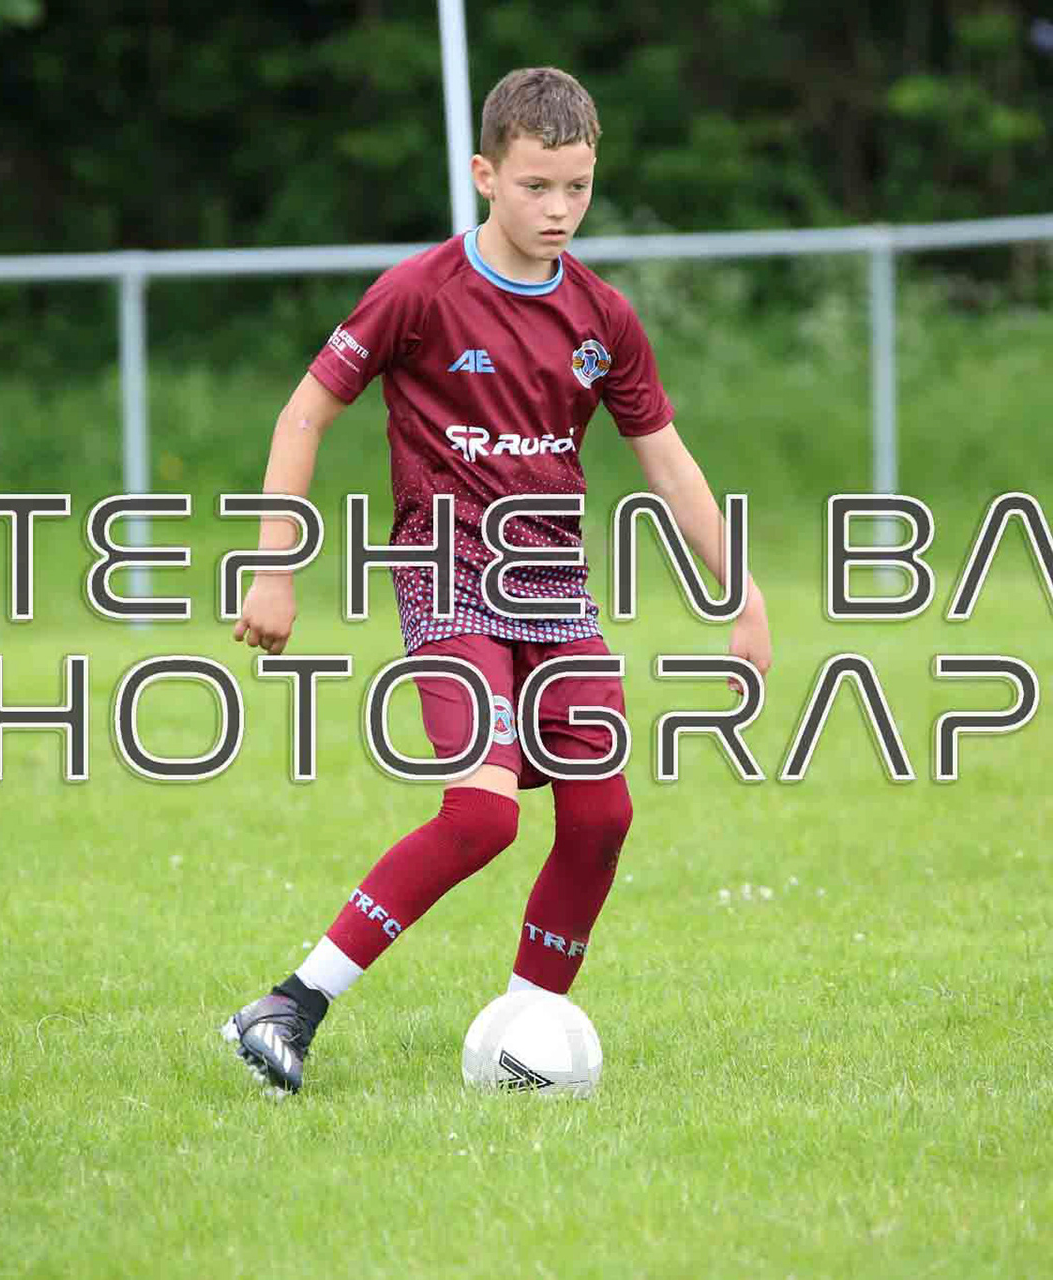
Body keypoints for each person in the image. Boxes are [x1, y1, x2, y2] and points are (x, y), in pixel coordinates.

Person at [223, 67, 773, 1093]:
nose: (559, 209)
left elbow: (667, 461)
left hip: (554, 589)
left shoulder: (603, 317)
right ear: (485, 175)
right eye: (536, 186)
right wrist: (274, 565)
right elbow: (304, 414)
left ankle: (525, 1033)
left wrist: (739, 590)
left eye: (578, 187)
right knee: (483, 816)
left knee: (602, 817)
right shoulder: (419, 292)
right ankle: (290, 1003)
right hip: (449, 579)